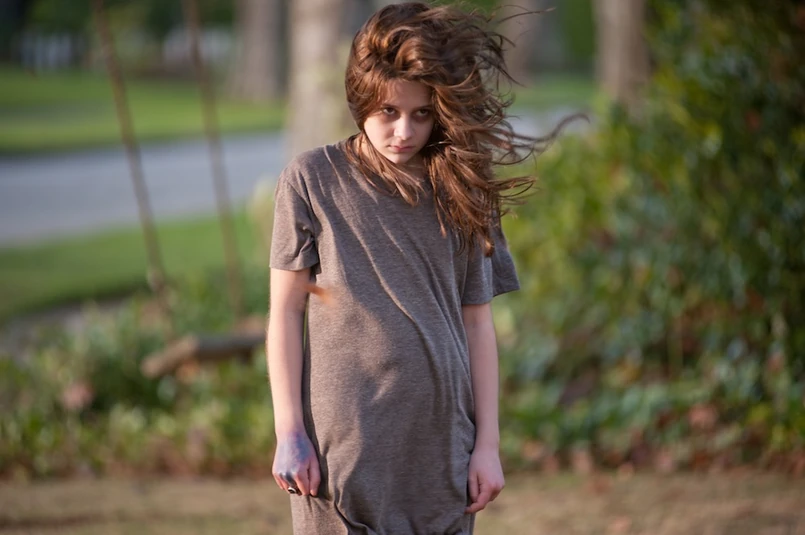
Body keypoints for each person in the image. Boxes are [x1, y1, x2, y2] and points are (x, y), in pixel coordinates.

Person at [267, 2, 556, 533]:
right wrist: (290, 433)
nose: (404, 130)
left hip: (442, 449)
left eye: (422, 114)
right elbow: (285, 313)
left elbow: (477, 324)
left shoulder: (463, 189)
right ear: (361, 100)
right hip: (342, 451)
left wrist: (487, 446)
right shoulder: (310, 180)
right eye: (388, 111)